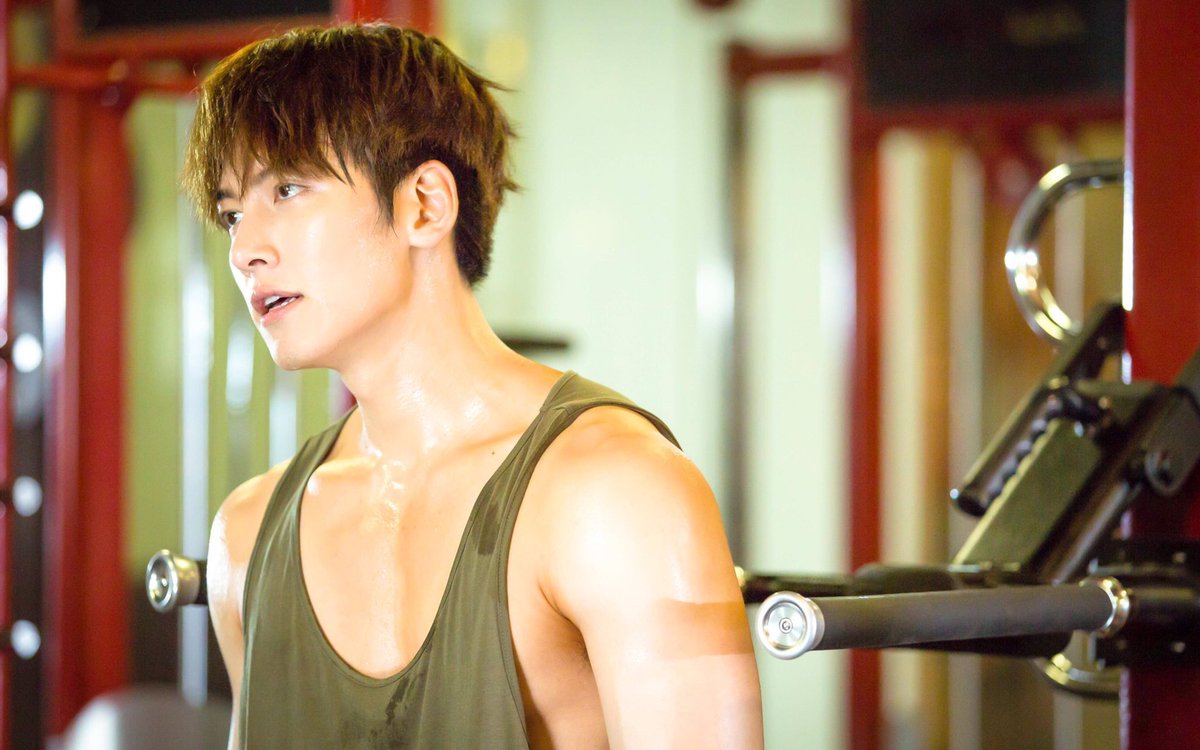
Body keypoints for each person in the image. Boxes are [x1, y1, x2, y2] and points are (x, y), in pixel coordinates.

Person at [183, 23, 763, 749]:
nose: (244, 249)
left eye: (289, 189)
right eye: (233, 214)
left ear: (425, 204)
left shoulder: (615, 492)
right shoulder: (246, 534)